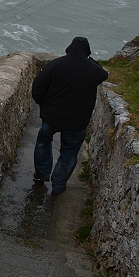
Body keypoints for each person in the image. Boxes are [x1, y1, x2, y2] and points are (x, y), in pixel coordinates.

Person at [32, 36, 108, 195]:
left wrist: (42, 103)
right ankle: (58, 186)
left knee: (43, 142)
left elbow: (38, 86)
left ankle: (42, 174)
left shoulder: (55, 64)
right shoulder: (92, 69)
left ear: (69, 48)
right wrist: (91, 61)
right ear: (87, 52)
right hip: (77, 121)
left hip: (52, 116)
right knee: (69, 153)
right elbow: (103, 74)